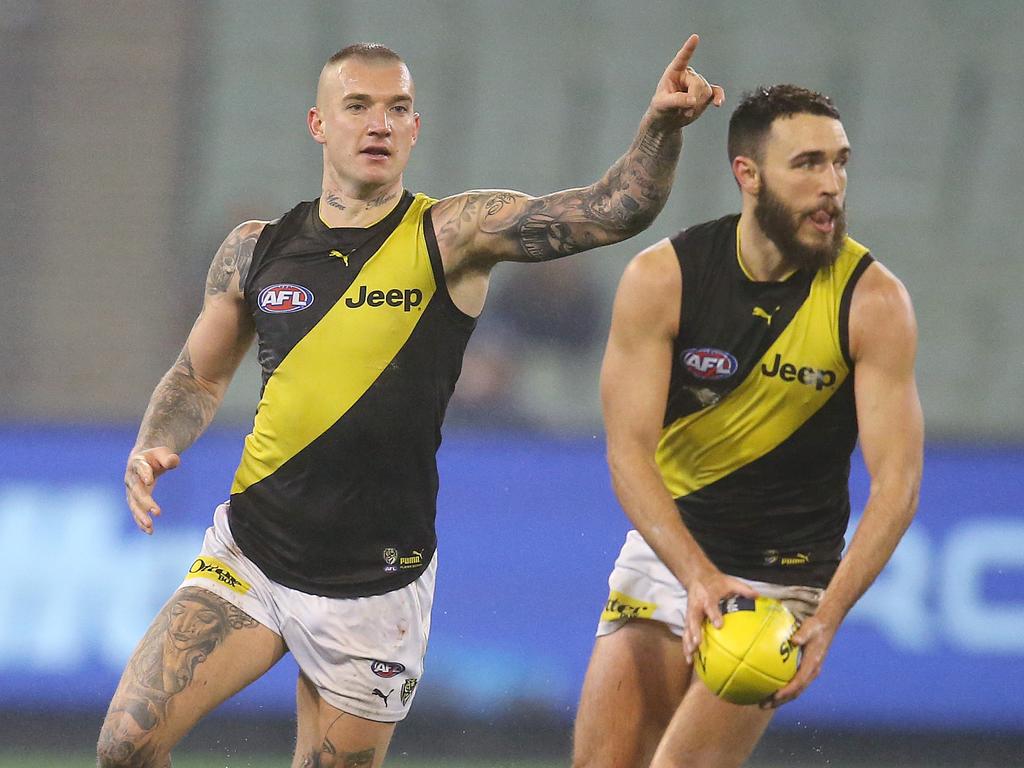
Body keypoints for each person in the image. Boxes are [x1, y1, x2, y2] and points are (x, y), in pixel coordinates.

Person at [97, 37, 724, 768]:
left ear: (415, 129)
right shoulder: (255, 248)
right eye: (358, 107)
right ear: (318, 124)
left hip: (376, 586)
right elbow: (197, 378)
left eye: (397, 109)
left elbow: (613, 210)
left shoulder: (453, 233)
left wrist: (660, 128)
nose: (379, 124)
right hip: (253, 554)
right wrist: (153, 440)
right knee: (124, 748)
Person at [572, 84, 923, 768]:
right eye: (809, 164)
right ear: (748, 175)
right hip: (670, 556)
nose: (831, 186)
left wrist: (826, 616)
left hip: (782, 580)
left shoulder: (873, 302)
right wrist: (696, 575)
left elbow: (898, 487)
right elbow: (628, 455)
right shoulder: (665, 278)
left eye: (840, 163)